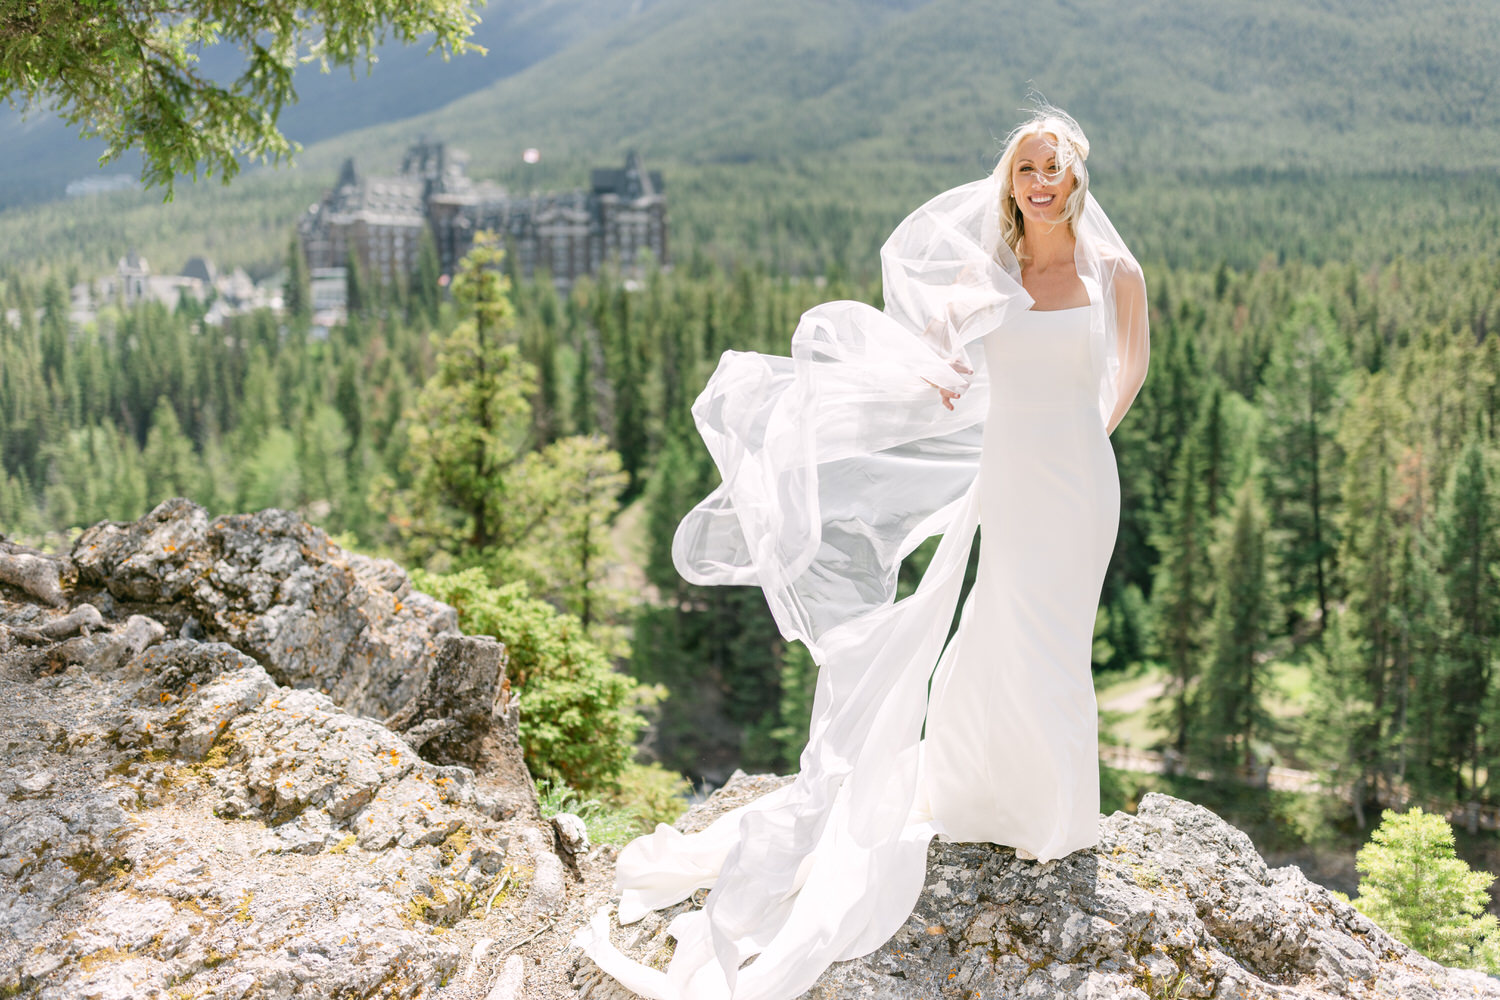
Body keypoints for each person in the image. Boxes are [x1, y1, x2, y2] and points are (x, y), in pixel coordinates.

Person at [573, 105, 1150, 1000]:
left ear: (1079, 174)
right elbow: (939, 354)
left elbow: (1129, 370)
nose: (1042, 182)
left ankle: (1057, 813)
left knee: (1057, 633)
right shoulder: (987, 267)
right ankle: (984, 793)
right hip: (1010, 480)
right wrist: (948, 366)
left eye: (1056, 167)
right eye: (1027, 169)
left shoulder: (1116, 270)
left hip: (1079, 484)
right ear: (1012, 181)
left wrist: (1082, 438)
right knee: (1002, 624)